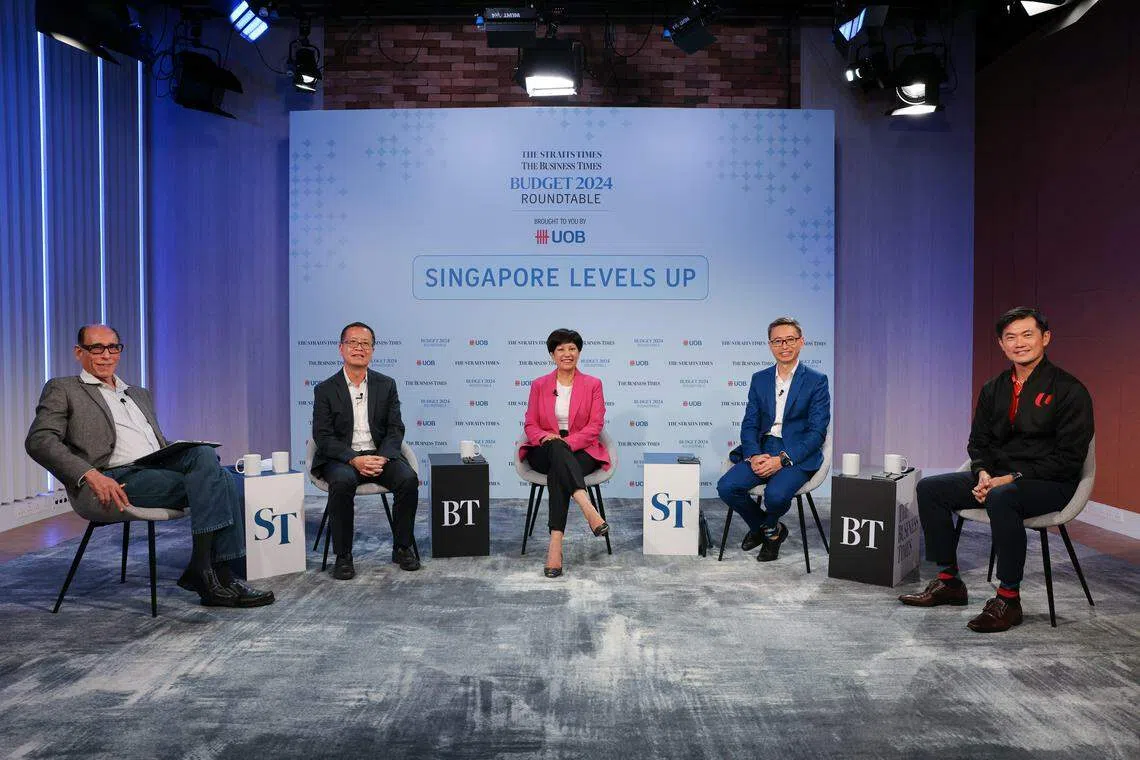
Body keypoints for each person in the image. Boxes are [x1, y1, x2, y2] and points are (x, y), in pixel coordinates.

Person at [25, 324, 274, 608]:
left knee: (205, 455)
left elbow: (154, 442)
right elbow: (39, 440)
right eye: (97, 348)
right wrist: (90, 474)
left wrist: (178, 451)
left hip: (154, 467)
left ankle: (205, 570)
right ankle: (217, 575)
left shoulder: (138, 393)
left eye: (113, 347)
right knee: (222, 480)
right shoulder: (64, 388)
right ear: (79, 352)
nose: (106, 355)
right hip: (113, 479)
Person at [899, 307, 1093, 632]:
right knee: (931, 489)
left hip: (1050, 481)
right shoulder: (994, 388)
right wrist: (983, 473)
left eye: (1027, 335)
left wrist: (1011, 478)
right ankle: (949, 582)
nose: (1019, 343)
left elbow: (1070, 458)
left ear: (1045, 338)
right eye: (1010, 337)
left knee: (1003, 497)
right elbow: (979, 442)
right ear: (1001, 345)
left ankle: (1008, 599)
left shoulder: (1070, 390)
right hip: (999, 480)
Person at [311, 321, 420, 579]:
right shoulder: (325, 389)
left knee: (408, 479)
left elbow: (395, 429)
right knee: (342, 482)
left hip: (378, 454)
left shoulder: (386, 385)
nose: (359, 348)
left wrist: (382, 457)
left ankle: (402, 547)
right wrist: (353, 460)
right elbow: (323, 437)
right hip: (341, 459)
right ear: (341, 348)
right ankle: (344, 555)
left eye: (365, 344)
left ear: (372, 350)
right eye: (353, 343)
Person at [717, 317, 830, 561]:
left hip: (798, 452)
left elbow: (817, 433)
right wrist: (754, 454)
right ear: (770, 345)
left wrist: (783, 460)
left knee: (776, 496)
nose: (784, 345)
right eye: (777, 341)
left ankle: (765, 529)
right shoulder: (760, 379)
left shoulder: (816, 380)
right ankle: (771, 529)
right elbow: (750, 423)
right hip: (764, 447)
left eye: (790, 339)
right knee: (726, 487)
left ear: (801, 342)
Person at [518, 328, 611, 578]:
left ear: (579, 352)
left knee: (559, 470)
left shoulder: (593, 384)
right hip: (543, 449)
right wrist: (547, 438)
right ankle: (588, 508)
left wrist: (567, 442)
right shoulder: (539, 385)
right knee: (556, 450)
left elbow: (595, 426)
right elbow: (530, 424)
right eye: (560, 349)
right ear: (552, 354)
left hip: (582, 450)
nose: (567, 353)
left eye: (572, 348)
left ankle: (555, 547)